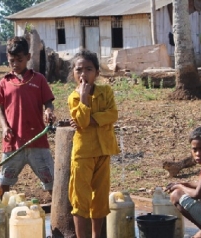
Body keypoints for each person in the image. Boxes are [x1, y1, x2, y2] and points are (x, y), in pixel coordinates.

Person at [68, 49, 120, 238]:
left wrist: (91, 120)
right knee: (80, 198)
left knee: (100, 198)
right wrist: (83, 97)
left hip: (103, 150)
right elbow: (81, 122)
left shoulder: (105, 91)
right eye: (79, 70)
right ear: (73, 73)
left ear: (97, 72)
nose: (83, 74)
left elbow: (113, 114)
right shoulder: (73, 97)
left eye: (88, 69)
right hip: (83, 154)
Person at [0, 36, 56, 194]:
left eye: (19, 60)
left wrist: (48, 110)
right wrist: (4, 127)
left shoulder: (39, 79)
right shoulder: (5, 82)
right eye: (11, 60)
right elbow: (0, 109)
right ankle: (1, 212)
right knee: (4, 182)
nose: (15, 64)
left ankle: (60, 215)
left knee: (52, 182)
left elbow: (48, 101)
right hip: (13, 142)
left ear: (28, 57)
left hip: (37, 141)